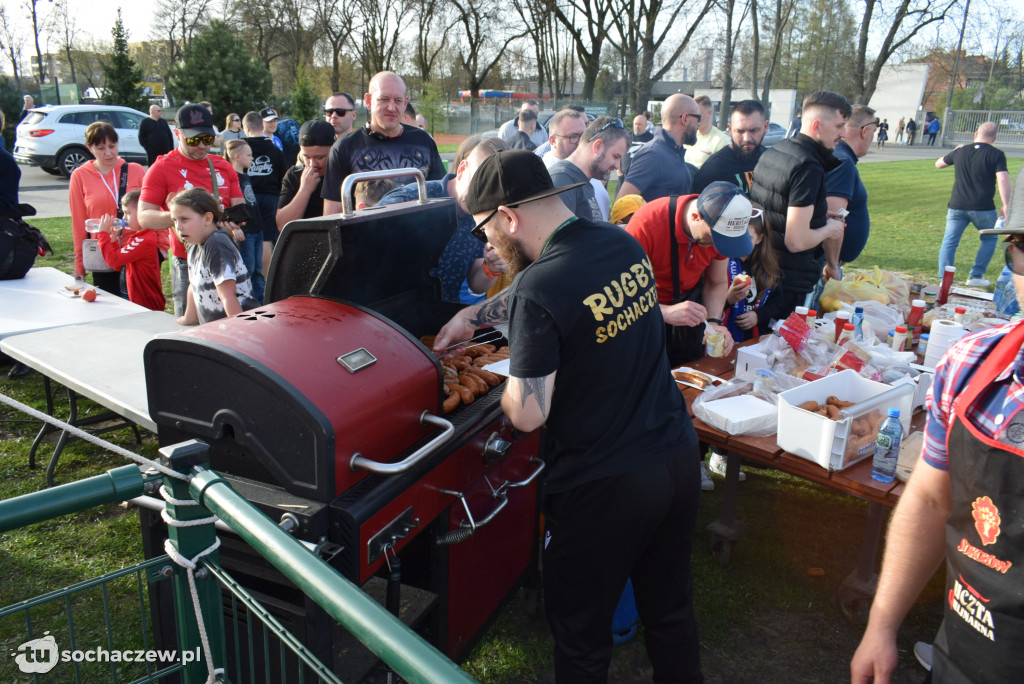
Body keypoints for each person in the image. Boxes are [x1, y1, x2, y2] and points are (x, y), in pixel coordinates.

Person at [433, 149, 704, 683]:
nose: (486, 245)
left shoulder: (539, 286)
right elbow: (570, 296)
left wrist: (513, 379)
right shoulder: (619, 243)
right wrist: (473, 314)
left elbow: (530, 414)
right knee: (670, 613)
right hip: (675, 457)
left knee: (581, 640)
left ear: (509, 217)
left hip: (606, 486)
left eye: (485, 230)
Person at [850, 218, 1024, 684]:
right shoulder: (971, 366)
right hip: (961, 656)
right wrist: (881, 626)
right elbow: (928, 499)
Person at [138, 103, 245, 316]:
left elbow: (240, 208)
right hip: (188, 260)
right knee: (192, 327)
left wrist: (232, 221)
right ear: (178, 134)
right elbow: (144, 216)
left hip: (223, 255)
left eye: (207, 139)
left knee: (229, 321)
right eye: (194, 140)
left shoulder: (223, 166)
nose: (202, 146)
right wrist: (181, 218)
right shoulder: (162, 167)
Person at [751, 90, 850, 313]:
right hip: (788, 282)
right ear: (817, 126)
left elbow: (776, 208)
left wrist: (817, 216)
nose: (843, 133)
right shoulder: (808, 167)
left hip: (765, 270)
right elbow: (795, 241)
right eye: (839, 126)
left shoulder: (777, 150)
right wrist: (830, 229)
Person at [376, 135, 507, 303]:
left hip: (442, 314)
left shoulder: (486, 216)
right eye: (478, 183)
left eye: (493, 190)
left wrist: (491, 268)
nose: (481, 198)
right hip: (390, 313)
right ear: (461, 170)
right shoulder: (409, 199)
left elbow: (476, 284)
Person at [321, 71, 445, 215]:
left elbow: (441, 194)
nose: (391, 107)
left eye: (398, 101)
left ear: (405, 103)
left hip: (418, 233)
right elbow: (332, 214)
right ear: (368, 100)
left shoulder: (423, 141)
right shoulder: (344, 148)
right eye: (384, 99)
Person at [68, 121, 146, 296]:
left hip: (135, 249)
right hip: (103, 251)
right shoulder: (80, 176)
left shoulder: (136, 170)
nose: (109, 153)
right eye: (101, 148)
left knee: (139, 307)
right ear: (90, 148)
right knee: (110, 304)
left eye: (112, 146)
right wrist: (80, 264)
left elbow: (153, 208)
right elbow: (79, 222)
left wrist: (162, 247)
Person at [935, 121, 1011, 287]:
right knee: (989, 239)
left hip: (957, 205)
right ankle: (976, 276)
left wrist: (954, 151)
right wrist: (1006, 204)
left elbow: (939, 163)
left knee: (950, 241)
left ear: (976, 134)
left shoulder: (961, 151)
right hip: (983, 206)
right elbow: (1003, 178)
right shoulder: (996, 154)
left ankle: (944, 279)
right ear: (994, 138)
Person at [171, 188, 260, 325]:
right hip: (215, 331)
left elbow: (228, 296)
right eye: (175, 220)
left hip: (237, 327)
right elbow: (193, 286)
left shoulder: (216, 244)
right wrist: (189, 318)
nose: (179, 227)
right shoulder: (194, 244)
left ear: (207, 218)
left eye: (184, 219)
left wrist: (240, 332)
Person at [617, 93, 700, 202]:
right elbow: (621, 205)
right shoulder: (653, 155)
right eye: (698, 117)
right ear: (685, 118)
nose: (699, 124)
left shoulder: (672, 152)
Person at [92, 189, 165, 311]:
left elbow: (113, 260)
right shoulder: (137, 237)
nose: (124, 218)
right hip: (135, 299)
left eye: (128, 213)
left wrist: (103, 234)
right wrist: (113, 241)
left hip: (145, 302)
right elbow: (119, 266)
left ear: (143, 213)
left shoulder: (144, 240)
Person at [547, 116, 628, 222]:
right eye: (615, 156)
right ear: (597, 146)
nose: (618, 166)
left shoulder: (584, 181)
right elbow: (559, 237)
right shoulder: (562, 179)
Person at [242, 110, 286, 287]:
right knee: (266, 239)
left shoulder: (240, 147)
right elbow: (284, 177)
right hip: (269, 197)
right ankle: (265, 281)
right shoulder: (275, 150)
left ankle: (250, 280)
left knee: (246, 236)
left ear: (246, 128)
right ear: (262, 126)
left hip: (246, 196)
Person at [827, 105, 876, 265]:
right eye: (873, 133)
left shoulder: (839, 157)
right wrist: (832, 264)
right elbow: (834, 217)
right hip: (826, 264)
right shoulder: (843, 162)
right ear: (865, 131)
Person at [692, 99, 769, 195]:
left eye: (754, 130)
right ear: (730, 129)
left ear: (766, 127)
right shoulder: (713, 170)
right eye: (740, 131)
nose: (747, 138)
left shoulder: (773, 162)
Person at [223, 139, 264, 302]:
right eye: (249, 155)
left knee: (258, 268)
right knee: (249, 268)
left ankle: (261, 300)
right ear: (237, 156)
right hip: (246, 232)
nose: (252, 158)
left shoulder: (245, 176)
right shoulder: (233, 178)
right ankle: (247, 301)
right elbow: (230, 206)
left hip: (257, 228)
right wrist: (235, 227)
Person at [277, 120, 335, 226]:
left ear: (333, 150)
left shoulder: (343, 173)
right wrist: (304, 190)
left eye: (320, 157)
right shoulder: (294, 175)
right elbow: (282, 225)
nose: (312, 164)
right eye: (306, 157)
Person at [684, 95, 730, 170]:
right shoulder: (687, 137)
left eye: (699, 115)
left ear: (709, 113)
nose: (696, 119)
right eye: (693, 115)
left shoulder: (721, 141)